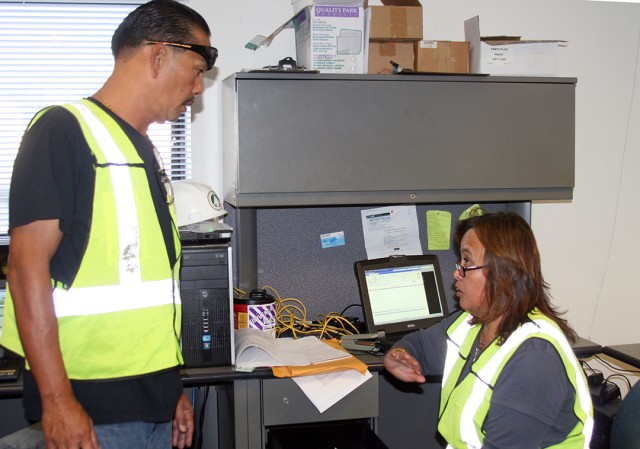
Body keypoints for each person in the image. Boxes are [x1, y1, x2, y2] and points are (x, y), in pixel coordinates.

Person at [0, 1, 217, 448]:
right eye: (195, 70)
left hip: (150, 402)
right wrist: (57, 401)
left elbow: (147, 293)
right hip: (92, 411)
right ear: (158, 55)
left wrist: (171, 388)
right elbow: (25, 270)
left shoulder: (140, 149)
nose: (198, 87)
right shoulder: (63, 131)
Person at [384, 211, 593, 449]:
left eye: (467, 262)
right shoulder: (473, 322)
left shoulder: (534, 360)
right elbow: (420, 345)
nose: (456, 273)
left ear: (501, 271)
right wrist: (398, 353)